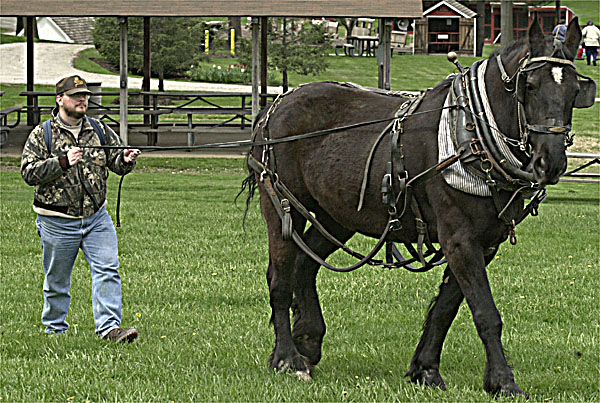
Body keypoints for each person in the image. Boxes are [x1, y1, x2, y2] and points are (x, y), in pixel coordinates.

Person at [21, 75, 141, 343]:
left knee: (107, 269)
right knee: (57, 281)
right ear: (59, 99)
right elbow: (28, 173)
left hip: (97, 217)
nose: (82, 99)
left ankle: (110, 329)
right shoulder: (43, 134)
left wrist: (125, 159)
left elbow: (115, 159)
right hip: (57, 221)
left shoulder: (98, 129)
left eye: (84, 95)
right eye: (75, 95)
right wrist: (61, 162)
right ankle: (54, 329)